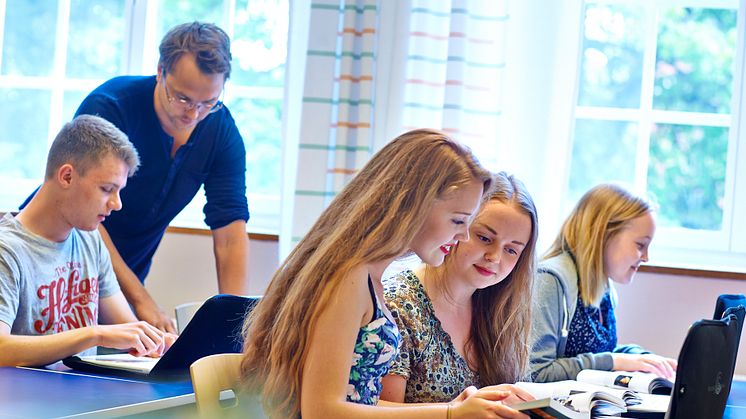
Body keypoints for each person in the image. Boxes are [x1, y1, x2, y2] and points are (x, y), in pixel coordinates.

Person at [240, 129, 529, 418]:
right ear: (415, 205)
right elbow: (322, 410)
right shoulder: (349, 279)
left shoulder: (367, 277)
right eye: (457, 220)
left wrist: (453, 407)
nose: (463, 235)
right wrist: (449, 415)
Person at [70, 22, 250, 333]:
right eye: (182, 98)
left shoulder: (221, 131)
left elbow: (231, 235)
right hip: (64, 264)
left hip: (127, 276)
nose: (193, 114)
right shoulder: (111, 108)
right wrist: (140, 300)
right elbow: (85, 215)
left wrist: (235, 325)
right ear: (160, 71)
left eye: (208, 102)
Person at [0, 115, 174, 367]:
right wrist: (95, 334)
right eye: (106, 189)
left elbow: (127, 328)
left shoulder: (89, 239)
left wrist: (157, 342)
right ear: (67, 176)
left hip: (81, 400)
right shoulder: (7, 250)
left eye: (119, 191)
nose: (117, 204)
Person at [380, 172, 538, 405]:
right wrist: (453, 411)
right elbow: (377, 409)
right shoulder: (398, 304)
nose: (494, 257)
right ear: (458, 227)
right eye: (484, 238)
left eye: (511, 250)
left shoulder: (500, 310)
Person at [529, 183, 677, 383]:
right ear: (603, 234)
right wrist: (614, 361)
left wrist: (640, 357)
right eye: (640, 245)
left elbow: (599, 353)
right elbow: (537, 373)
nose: (646, 257)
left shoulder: (603, 286)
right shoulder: (549, 280)